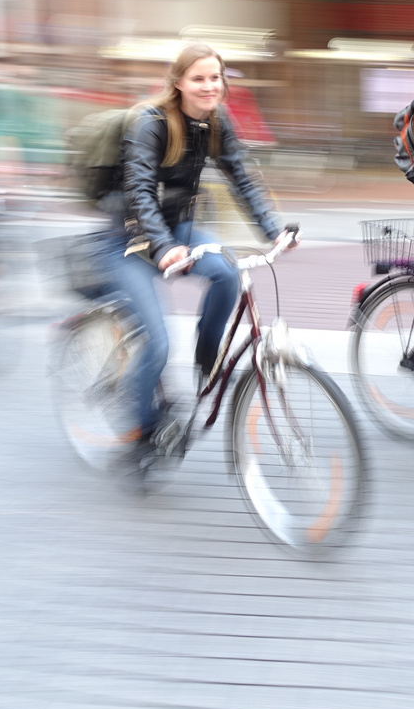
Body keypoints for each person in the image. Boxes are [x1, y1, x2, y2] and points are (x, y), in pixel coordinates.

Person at [101, 43, 290, 480]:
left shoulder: (217, 123)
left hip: (177, 230)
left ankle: (206, 362)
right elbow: (139, 191)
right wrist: (163, 246)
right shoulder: (150, 124)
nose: (209, 86)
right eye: (199, 78)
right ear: (179, 83)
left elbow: (241, 176)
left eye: (216, 77)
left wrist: (273, 230)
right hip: (129, 238)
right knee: (159, 341)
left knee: (225, 273)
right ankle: (139, 432)